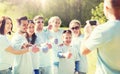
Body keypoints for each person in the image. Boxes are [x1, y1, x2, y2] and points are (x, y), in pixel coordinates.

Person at [81, 0, 120, 74]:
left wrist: (87, 34)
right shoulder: (101, 30)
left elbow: (83, 51)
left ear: (106, 8)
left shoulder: (102, 30)